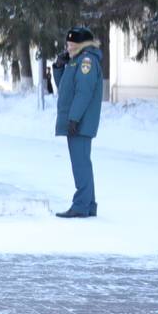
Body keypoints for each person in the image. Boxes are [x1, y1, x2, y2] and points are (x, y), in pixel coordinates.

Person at [54, 25, 103, 217]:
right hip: (77, 121)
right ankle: (88, 204)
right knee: (82, 162)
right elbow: (65, 89)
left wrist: (73, 119)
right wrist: (59, 67)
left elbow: (83, 93)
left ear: (83, 44)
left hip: (80, 122)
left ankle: (81, 205)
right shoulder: (75, 62)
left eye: (72, 44)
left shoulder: (86, 62)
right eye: (67, 44)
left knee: (80, 163)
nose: (68, 48)